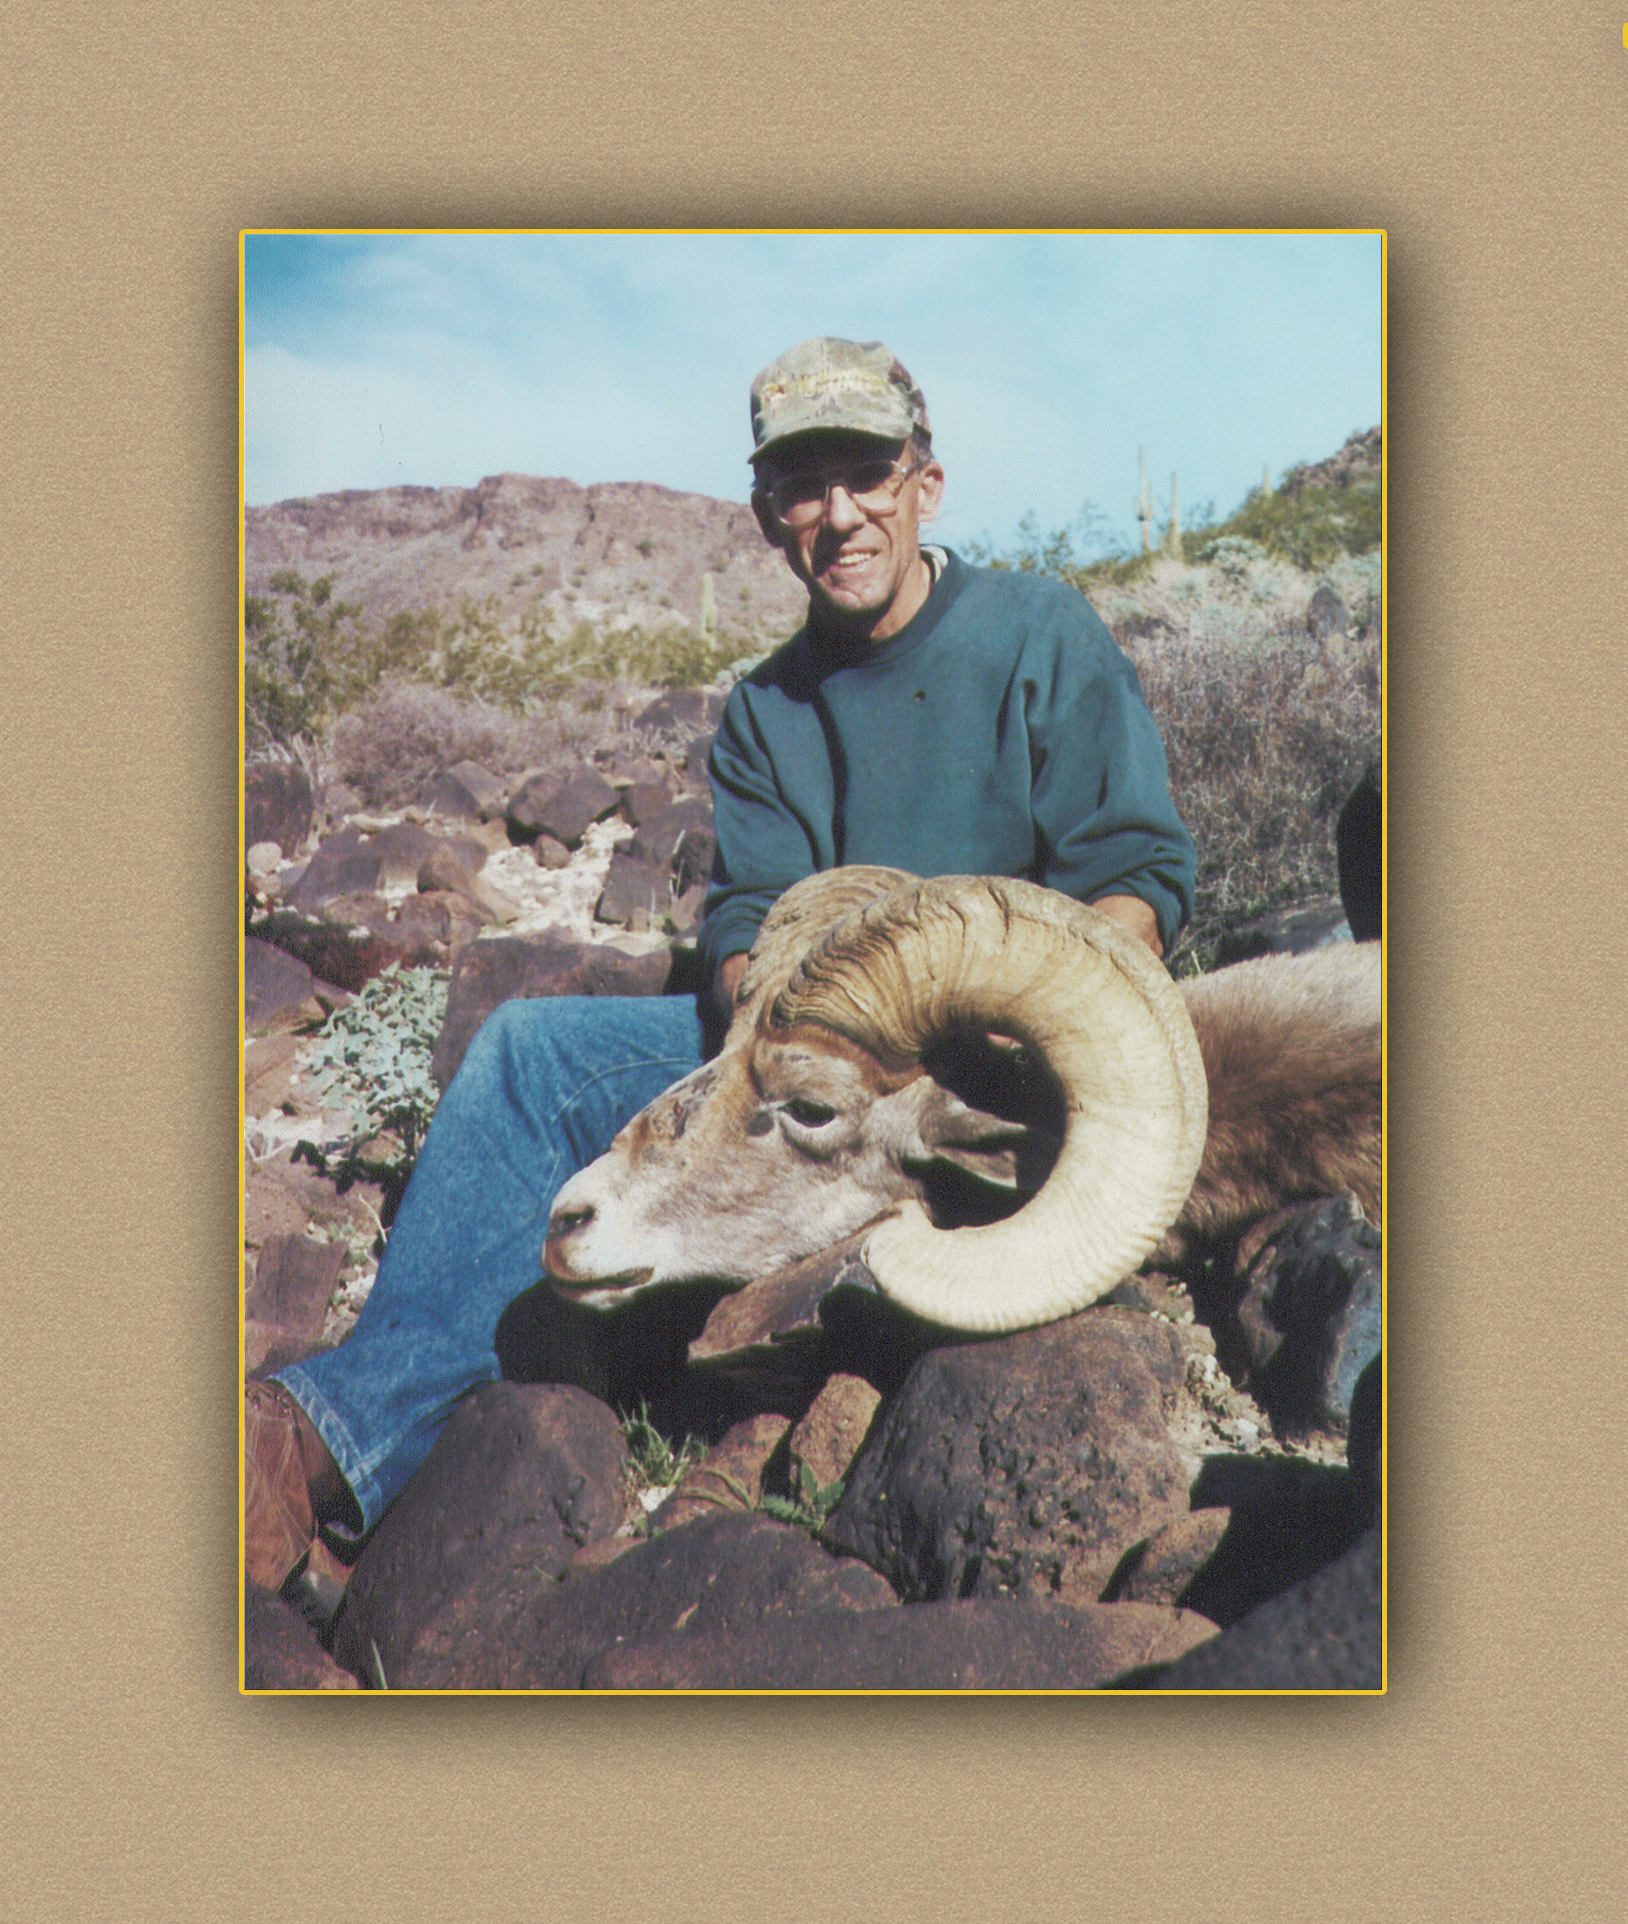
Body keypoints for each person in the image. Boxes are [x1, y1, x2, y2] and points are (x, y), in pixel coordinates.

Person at [244, 337, 1197, 1597]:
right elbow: (745, 913)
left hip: (990, 1049)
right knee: (527, 1049)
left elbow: (1133, 867)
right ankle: (321, 1439)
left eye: (866, 473)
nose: (840, 514)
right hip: (804, 1057)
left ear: (926, 481)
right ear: (765, 517)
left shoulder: (1036, 632)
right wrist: (753, 1000)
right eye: (804, 486)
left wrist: (1054, 1018)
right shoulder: (765, 711)